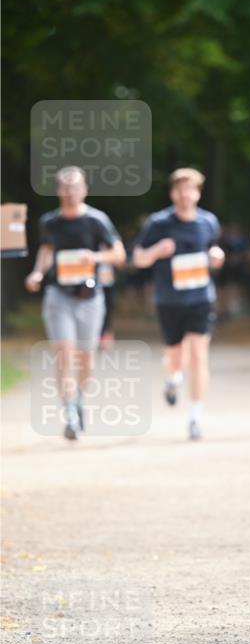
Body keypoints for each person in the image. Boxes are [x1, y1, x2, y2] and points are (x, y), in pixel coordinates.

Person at [24, 166, 126, 440]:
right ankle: (69, 412)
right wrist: (37, 272)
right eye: (65, 187)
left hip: (89, 298)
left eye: (76, 187)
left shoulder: (96, 220)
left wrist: (94, 258)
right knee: (63, 355)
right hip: (59, 296)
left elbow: (118, 254)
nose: (70, 192)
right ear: (58, 191)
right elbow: (46, 250)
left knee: (86, 358)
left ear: (85, 190)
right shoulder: (50, 222)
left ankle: (79, 401)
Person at [133, 167, 224, 441]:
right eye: (179, 189)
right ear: (173, 193)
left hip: (200, 298)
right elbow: (137, 258)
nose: (185, 194)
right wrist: (155, 251)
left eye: (190, 189)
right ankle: (173, 379)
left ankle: (195, 416)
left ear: (197, 193)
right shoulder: (158, 224)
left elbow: (213, 249)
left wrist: (216, 255)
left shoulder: (208, 222)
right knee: (175, 356)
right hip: (169, 300)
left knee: (198, 354)